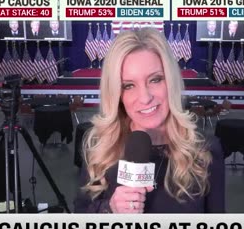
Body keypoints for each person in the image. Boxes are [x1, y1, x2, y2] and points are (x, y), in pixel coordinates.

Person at [74, 28, 225, 213]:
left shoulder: (205, 150)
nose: (145, 98)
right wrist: (109, 210)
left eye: (155, 79)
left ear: (171, 81)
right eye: (128, 85)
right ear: (117, 94)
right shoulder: (99, 147)